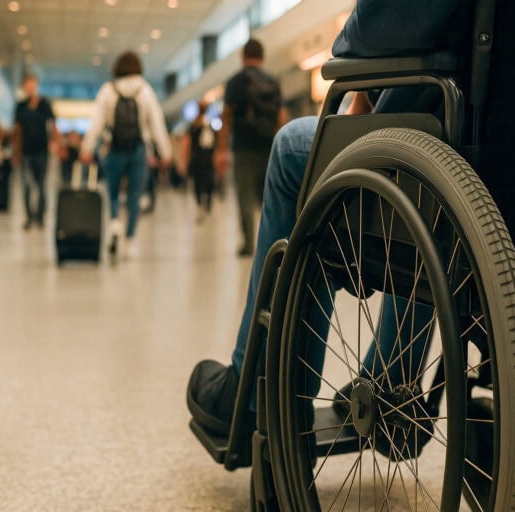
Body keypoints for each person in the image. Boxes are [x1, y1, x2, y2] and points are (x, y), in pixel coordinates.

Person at [188, 0, 469, 446]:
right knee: (439, 196)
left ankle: (259, 390)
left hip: (431, 148)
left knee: (293, 151)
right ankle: (393, 386)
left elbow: (373, 32)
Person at [80, 51, 172, 261]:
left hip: (114, 147)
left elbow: (96, 122)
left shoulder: (108, 90)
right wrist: (165, 152)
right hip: (139, 150)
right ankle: (130, 240)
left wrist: (86, 148)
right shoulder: (145, 90)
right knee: (134, 196)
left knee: (112, 190)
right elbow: (156, 124)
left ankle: (114, 223)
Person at [214, 38, 285, 257]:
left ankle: (247, 244)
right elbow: (281, 117)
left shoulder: (235, 82)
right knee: (268, 198)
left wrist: (221, 150)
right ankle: (272, 243)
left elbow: (226, 118)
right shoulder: (273, 82)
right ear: (262, 57)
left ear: (243, 56)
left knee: (244, 197)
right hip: (268, 147)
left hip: (243, 147)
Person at [13, 74, 60, 230]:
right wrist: (16, 152)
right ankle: (28, 216)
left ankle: (40, 217)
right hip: (26, 151)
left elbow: (52, 125)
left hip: (41, 150)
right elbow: (18, 130)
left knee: (41, 184)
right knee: (26, 185)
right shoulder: (21, 106)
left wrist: (55, 143)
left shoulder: (45, 104)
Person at [179, 100, 216, 223]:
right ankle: (202, 206)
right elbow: (187, 144)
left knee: (207, 183)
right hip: (200, 161)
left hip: (205, 160)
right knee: (200, 184)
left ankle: (205, 206)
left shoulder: (208, 124)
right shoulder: (195, 126)